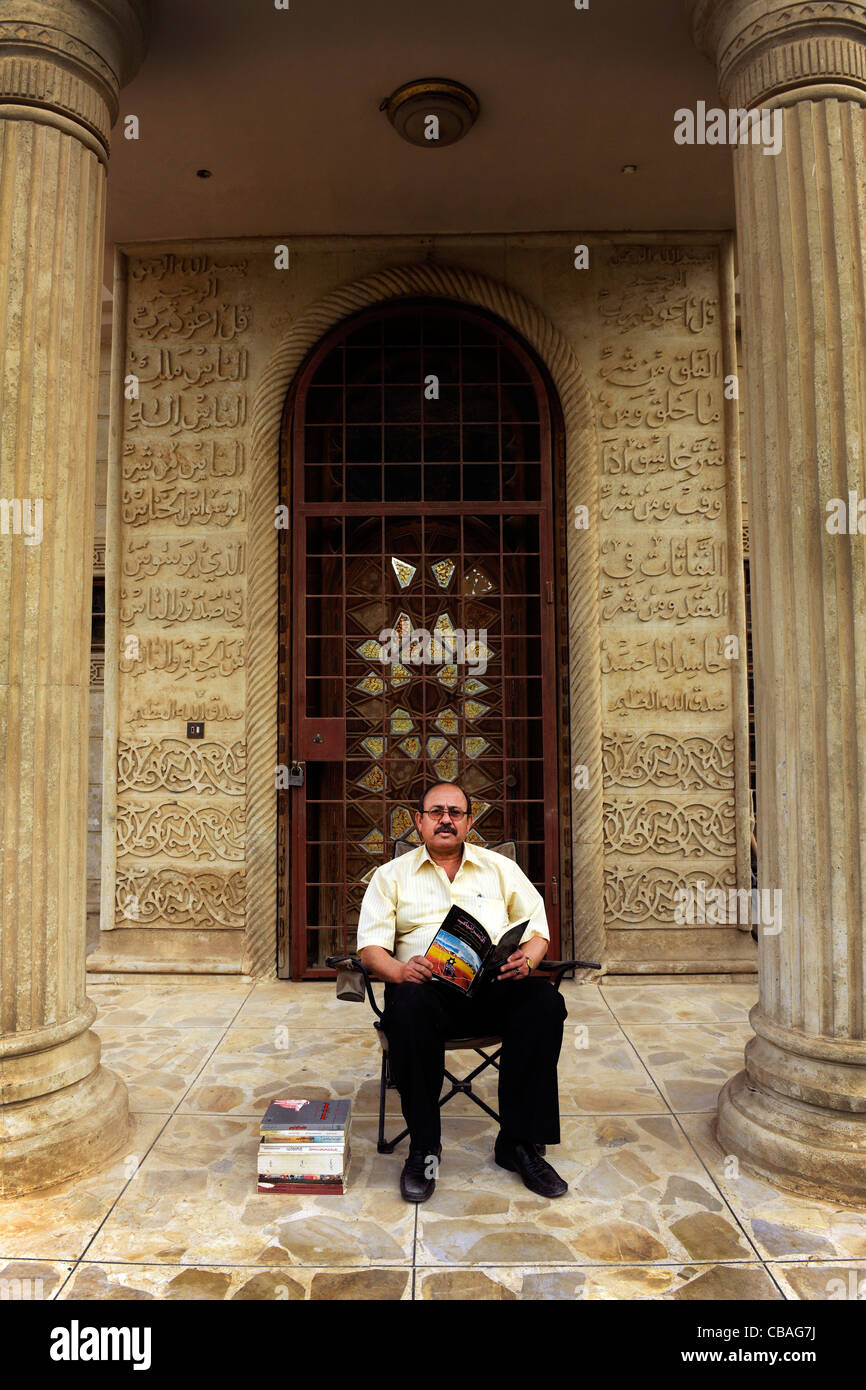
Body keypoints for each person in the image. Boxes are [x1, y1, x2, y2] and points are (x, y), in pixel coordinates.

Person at [356, 781, 569, 1203]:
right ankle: (423, 1148)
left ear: (470, 821)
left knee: (544, 1003)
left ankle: (518, 1143)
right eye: (436, 812)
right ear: (418, 821)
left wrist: (526, 959)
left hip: (491, 989)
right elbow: (369, 949)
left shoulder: (500, 869)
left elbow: (539, 929)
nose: (446, 820)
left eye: (455, 812)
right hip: (425, 991)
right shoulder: (390, 876)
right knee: (410, 1009)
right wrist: (400, 971)